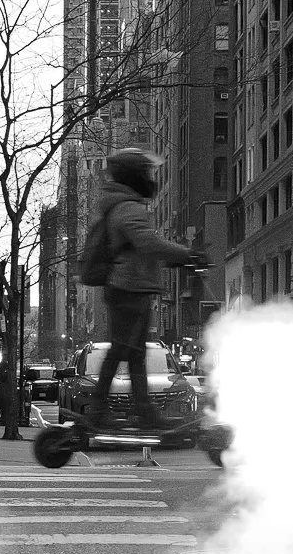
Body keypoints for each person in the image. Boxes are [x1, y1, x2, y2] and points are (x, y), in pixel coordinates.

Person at [85, 146, 206, 434]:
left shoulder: (122, 204)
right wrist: (188, 254)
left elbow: (142, 248)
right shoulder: (128, 207)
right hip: (129, 288)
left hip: (130, 287)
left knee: (133, 354)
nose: (150, 177)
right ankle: (101, 412)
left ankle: (143, 412)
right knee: (123, 351)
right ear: (134, 175)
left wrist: (176, 259)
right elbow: (148, 244)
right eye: (146, 172)